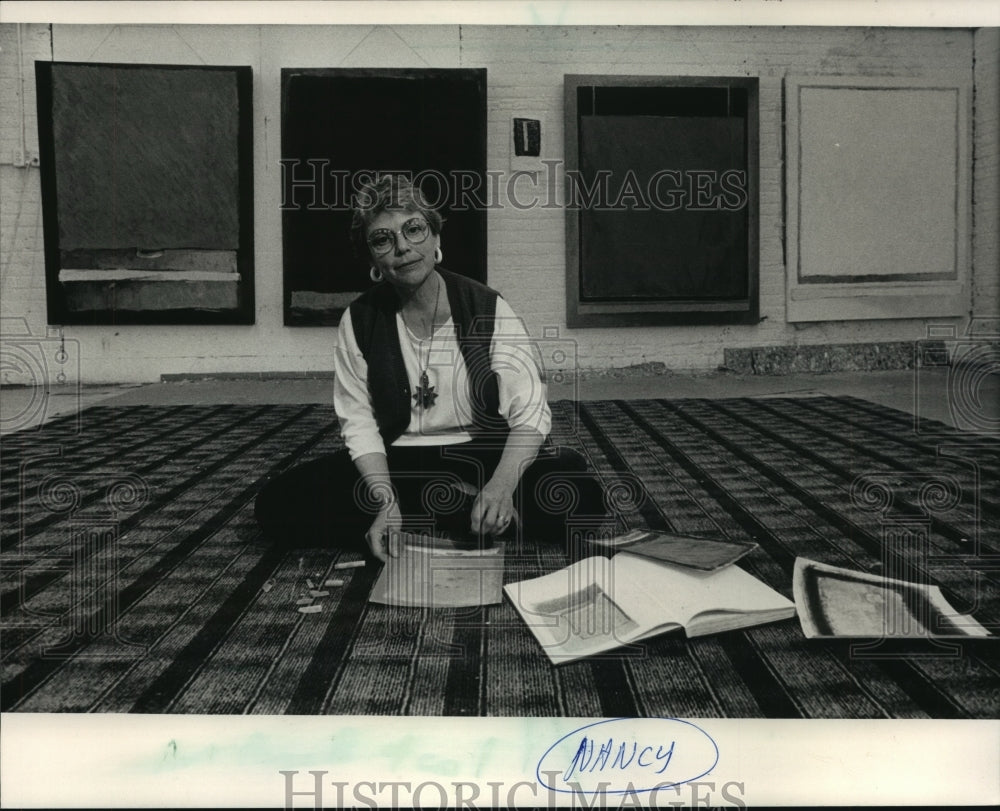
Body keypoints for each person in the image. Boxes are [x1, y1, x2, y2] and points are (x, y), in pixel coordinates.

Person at [255, 175, 606, 561]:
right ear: (372, 259)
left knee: (578, 496)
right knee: (276, 506)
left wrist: (502, 487)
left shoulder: (486, 307)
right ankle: (448, 510)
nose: (403, 247)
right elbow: (359, 423)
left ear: (436, 237)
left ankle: (454, 508)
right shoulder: (359, 319)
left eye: (414, 229)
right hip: (400, 459)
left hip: (480, 452)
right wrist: (384, 500)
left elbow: (531, 411)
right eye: (383, 239)